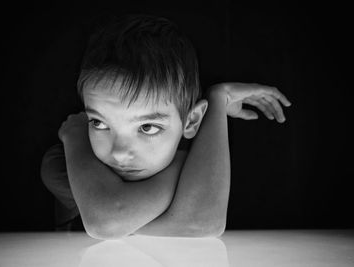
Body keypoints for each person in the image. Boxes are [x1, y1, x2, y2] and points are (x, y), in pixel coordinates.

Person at [41, 14, 291, 239]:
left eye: (147, 127)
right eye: (98, 123)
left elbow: (201, 225)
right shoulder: (62, 162)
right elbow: (111, 223)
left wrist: (218, 99)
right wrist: (74, 135)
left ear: (192, 121)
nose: (119, 153)